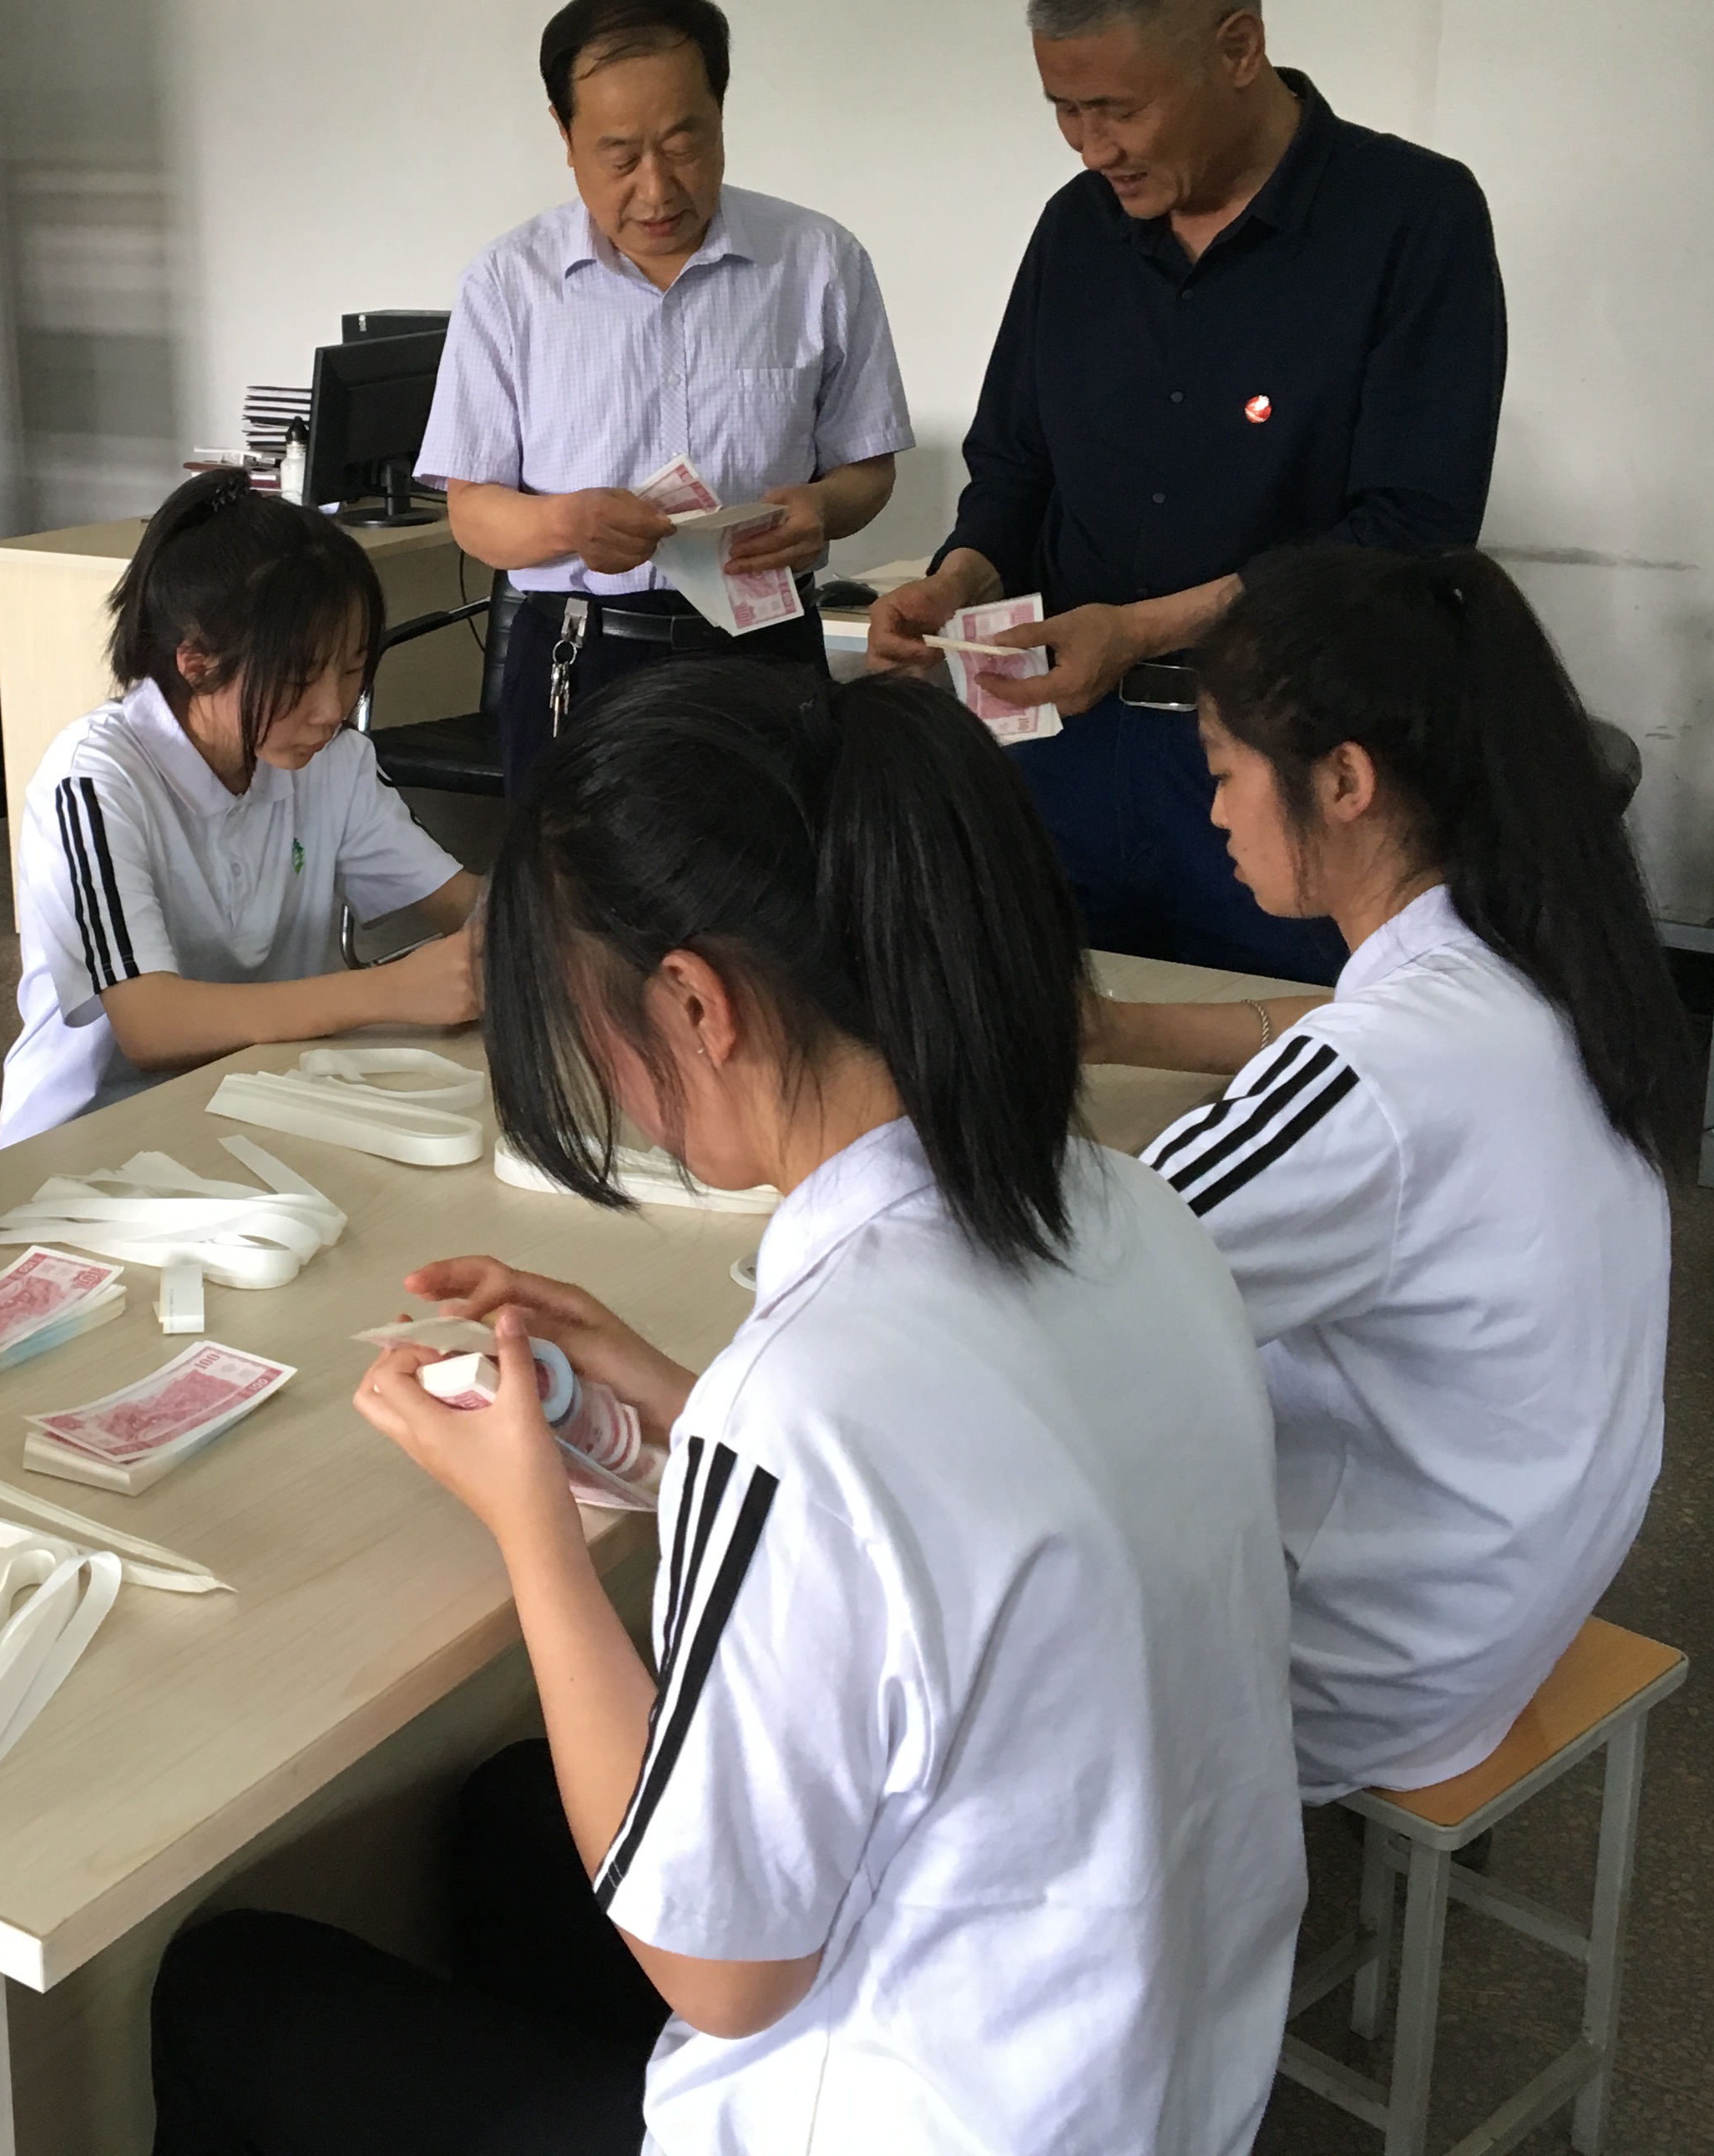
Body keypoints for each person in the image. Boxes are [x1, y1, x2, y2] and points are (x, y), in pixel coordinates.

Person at [150, 665, 1302, 2156]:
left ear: (697, 1004)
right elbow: (953, 1504)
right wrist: (679, 1393)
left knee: (227, 1988)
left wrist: (532, 1525)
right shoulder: (1125, 1207)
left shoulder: (809, 1398)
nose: (604, 1079)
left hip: (948, 2111)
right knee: (502, 1818)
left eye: (593, 1027)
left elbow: (722, 1976)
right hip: (1152, 2065)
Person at [1095, 544, 1689, 1799]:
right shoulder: (1536, 959)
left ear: (1345, 781)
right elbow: (1340, 1034)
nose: (1215, 812)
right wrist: (1117, 1030)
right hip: (1508, 1598)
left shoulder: (1373, 1082)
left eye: (1224, 771)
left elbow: (1085, 1283)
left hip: (1360, 1671)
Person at [869, 0, 1505, 979]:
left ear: (1237, 49)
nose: (1092, 147)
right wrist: (957, 580)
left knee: (1279, 1061)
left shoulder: (1410, 219)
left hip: (1288, 766)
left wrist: (1141, 629)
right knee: (1037, 1034)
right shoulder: (1077, 231)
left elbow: (1413, 529)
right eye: (1065, 110)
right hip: (1061, 755)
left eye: (1119, 109)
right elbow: (1016, 466)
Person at [418, 0, 916, 795]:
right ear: (565, 135)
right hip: (581, 656)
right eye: (619, 156)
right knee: (577, 879)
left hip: (765, 653)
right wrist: (566, 522)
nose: (656, 190)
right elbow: (472, 511)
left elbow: (868, 467)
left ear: (721, 112)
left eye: (685, 145)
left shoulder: (818, 262)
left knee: (776, 872)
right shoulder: (509, 285)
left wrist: (826, 509)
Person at [0, 472, 480, 1145]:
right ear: (195, 663)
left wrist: (546, 935)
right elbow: (150, 1024)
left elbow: (462, 903)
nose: (331, 710)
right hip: (94, 1139)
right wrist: (394, 990)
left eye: (352, 669)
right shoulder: (93, 782)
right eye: (297, 678)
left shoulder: (331, 761)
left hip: (266, 1105)